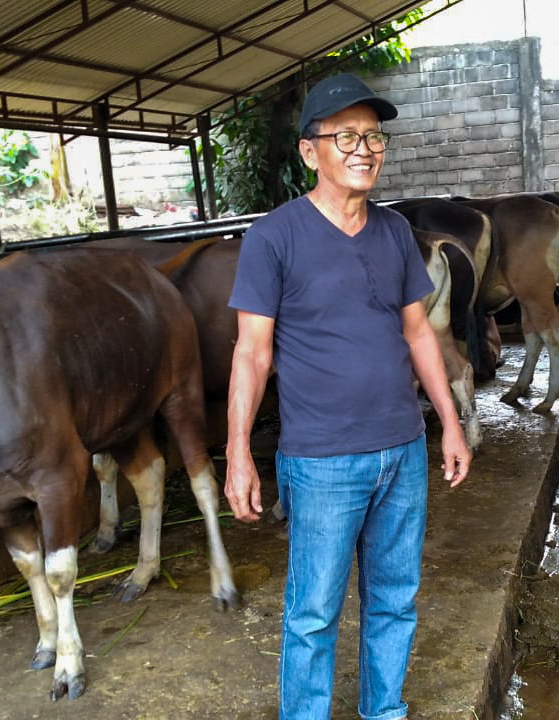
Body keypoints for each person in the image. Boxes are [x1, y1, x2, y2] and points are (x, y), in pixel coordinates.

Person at [224, 72, 472, 720]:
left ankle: (382, 710)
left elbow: (418, 333)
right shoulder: (274, 237)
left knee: (394, 598)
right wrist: (239, 454)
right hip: (323, 461)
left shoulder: (393, 233)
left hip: (402, 451)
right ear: (311, 152)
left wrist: (447, 421)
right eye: (346, 136)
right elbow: (252, 352)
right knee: (313, 613)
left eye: (374, 136)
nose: (365, 148)